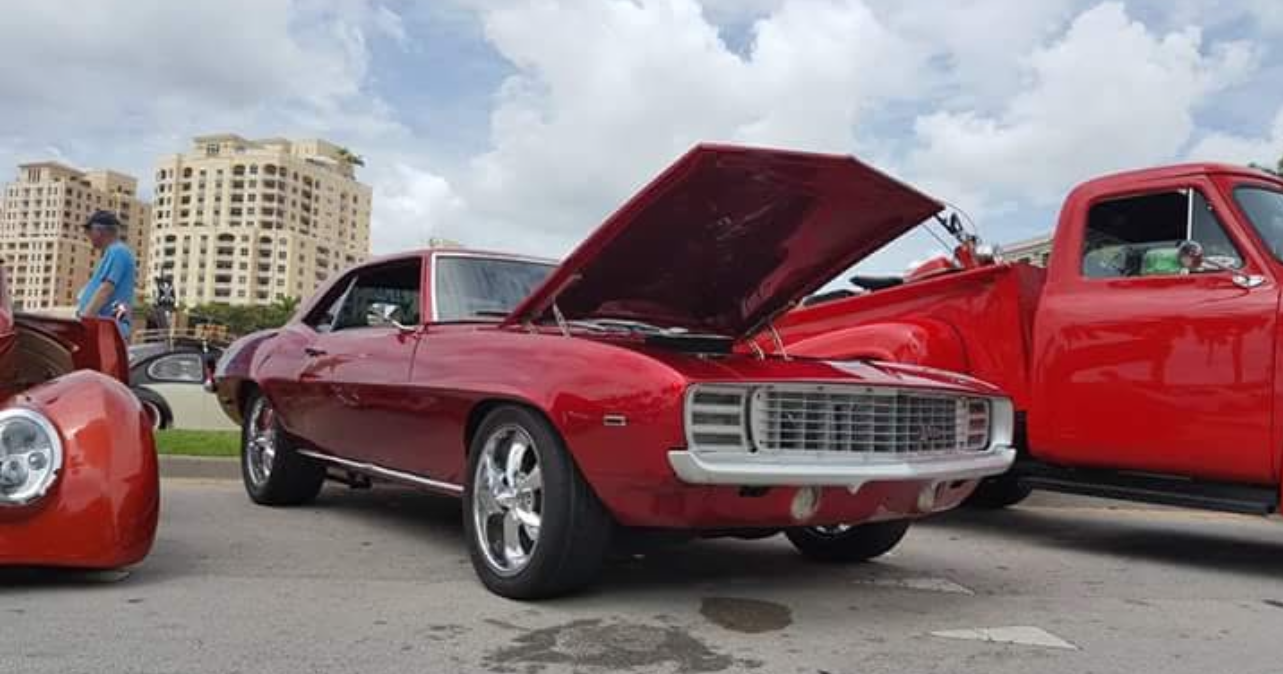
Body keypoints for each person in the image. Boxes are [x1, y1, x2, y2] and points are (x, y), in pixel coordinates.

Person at [77, 210, 136, 339]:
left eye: (89, 230)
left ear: (99, 231)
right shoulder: (115, 252)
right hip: (107, 328)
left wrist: (83, 322)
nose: (87, 235)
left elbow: (105, 290)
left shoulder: (117, 251)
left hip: (107, 330)